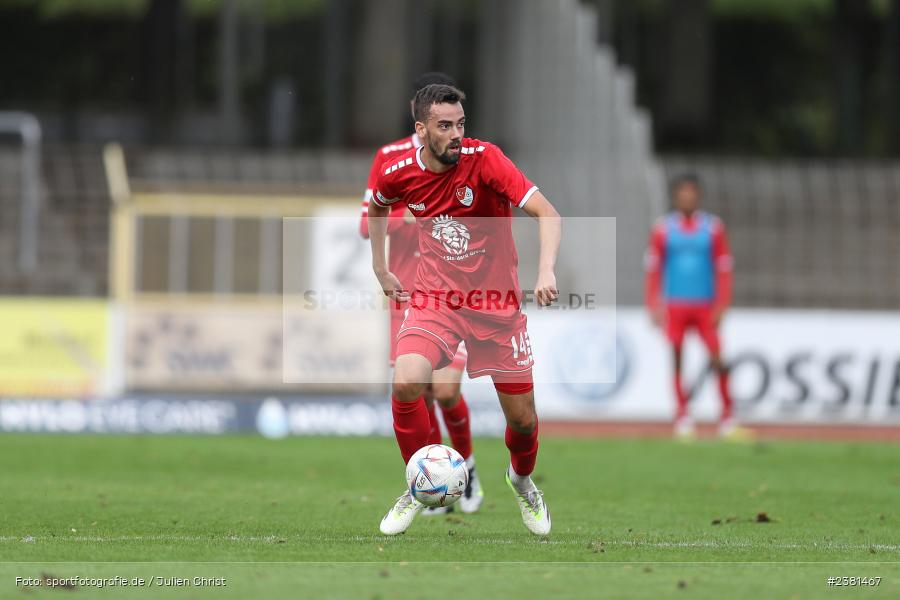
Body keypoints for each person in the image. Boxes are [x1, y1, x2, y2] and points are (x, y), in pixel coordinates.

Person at [368, 84, 561, 536]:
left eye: (460, 124)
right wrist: (381, 269)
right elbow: (377, 208)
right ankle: (416, 484)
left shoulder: (486, 159)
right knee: (406, 382)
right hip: (436, 301)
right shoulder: (399, 173)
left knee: (523, 421)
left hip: (497, 308)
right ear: (421, 130)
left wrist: (546, 271)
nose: (456, 134)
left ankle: (522, 481)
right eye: (444, 126)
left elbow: (548, 214)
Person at [359, 72, 482, 515]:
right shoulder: (390, 159)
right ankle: (435, 482)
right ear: (419, 116)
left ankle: (466, 467)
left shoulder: (465, 158)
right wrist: (404, 219)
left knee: (445, 391)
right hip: (407, 294)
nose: (450, 130)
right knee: (418, 391)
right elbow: (366, 222)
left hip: (454, 293)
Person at [645, 173, 746, 439]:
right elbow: (654, 268)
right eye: (683, 194)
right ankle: (682, 417)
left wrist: (723, 303)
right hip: (675, 304)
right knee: (677, 357)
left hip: (705, 305)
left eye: (691, 193)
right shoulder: (663, 228)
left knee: (718, 358)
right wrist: (653, 303)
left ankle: (727, 418)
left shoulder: (712, 228)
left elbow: (724, 267)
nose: (687, 198)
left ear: (698, 196)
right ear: (675, 197)